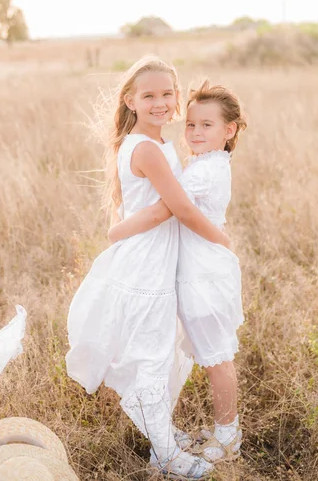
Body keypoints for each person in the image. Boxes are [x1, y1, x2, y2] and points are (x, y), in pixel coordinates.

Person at [66, 57, 231, 478]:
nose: (161, 102)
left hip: (154, 258)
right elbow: (178, 209)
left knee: (156, 351)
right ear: (130, 100)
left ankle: (165, 436)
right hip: (148, 265)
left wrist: (123, 228)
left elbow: (152, 205)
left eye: (167, 94)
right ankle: (165, 455)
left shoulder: (152, 144)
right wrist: (222, 239)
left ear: (176, 96)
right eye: (149, 95)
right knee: (153, 357)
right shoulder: (146, 148)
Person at [108, 79, 247, 463]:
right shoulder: (208, 163)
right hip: (198, 270)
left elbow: (170, 207)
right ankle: (223, 429)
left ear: (229, 129)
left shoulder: (203, 172)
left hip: (203, 274)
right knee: (211, 354)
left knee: (217, 357)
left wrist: (116, 231)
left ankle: (228, 437)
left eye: (207, 125)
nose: (196, 132)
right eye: (192, 124)